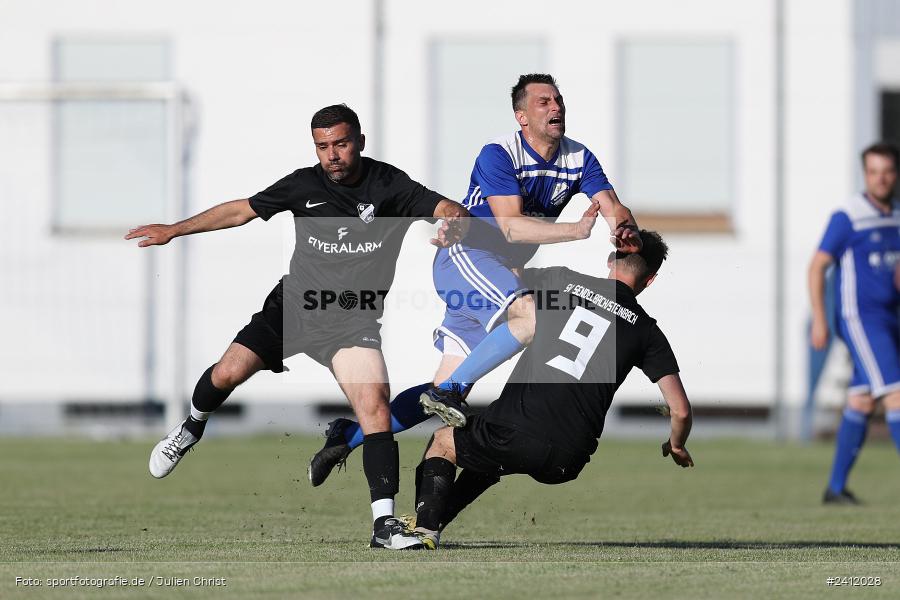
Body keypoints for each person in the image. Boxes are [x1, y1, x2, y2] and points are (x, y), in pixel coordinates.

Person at [125, 104, 468, 549]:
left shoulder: (390, 185)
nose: (332, 155)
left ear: (359, 141)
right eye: (323, 146)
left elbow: (446, 208)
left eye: (341, 144)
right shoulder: (302, 185)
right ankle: (191, 428)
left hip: (352, 317)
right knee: (225, 374)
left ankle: (383, 526)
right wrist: (175, 228)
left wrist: (453, 224)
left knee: (375, 405)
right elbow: (240, 211)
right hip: (294, 308)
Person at [308, 74, 641, 485]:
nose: (555, 108)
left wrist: (625, 229)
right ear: (521, 116)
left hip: (497, 273)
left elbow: (611, 204)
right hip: (467, 257)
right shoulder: (499, 154)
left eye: (558, 100)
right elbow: (512, 229)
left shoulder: (578, 157)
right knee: (530, 317)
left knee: (442, 386)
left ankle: (348, 435)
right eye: (543, 102)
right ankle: (448, 395)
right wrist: (574, 231)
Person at [408, 230, 693, 548]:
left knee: (444, 442)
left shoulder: (561, 282)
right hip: (568, 457)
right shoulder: (648, 331)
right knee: (487, 462)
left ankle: (424, 530)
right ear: (650, 280)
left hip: (515, 430)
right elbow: (680, 410)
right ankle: (435, 516)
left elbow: (504, 279)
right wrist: (677, 446)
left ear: (611, 260)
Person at [809, 142, 900, 505]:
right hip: (860, 320)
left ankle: (835, 489)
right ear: (865, 174)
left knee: (861, 401)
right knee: (897, 394)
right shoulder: (848, 215)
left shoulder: (895, 215)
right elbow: (817, 266)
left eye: (887, 171)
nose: (881, 178)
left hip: (890, 320)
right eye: (874, 171)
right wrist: (819, 318)